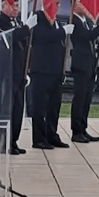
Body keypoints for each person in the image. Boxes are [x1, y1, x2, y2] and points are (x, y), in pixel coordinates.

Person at [0, 1, 31, 155]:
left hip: (19, 72)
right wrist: (27, 28)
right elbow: (11, 37)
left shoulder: (18, 22)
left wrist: (26, 71)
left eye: (17, 6)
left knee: (18, 108)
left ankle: (13, 141)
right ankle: (3, 142)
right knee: (6, 109)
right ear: (3, 7)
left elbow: (24, 48)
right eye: (13, 5)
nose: (16, 8)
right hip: (7, 72)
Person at [28, 11, 71, 150]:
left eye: (58, 4)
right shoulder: (39, 16)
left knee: (54, 106)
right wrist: (63, 31)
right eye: (55, 2)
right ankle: (39, 138)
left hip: (55, 69)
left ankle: (51, 134)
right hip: (41, 69)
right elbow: (42, 36)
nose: (57, 6)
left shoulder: (55, 18)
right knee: (40, 107)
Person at [69, 3, 99, 144]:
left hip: (89, 64)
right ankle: (76, 131)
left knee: (87, 99)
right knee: (80, 99)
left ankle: (83, 128)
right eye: (82, 4)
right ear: (74, 7)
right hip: (80, 65)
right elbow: (88, 36)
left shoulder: (85, 21)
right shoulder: (73, 20)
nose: (86, 7)